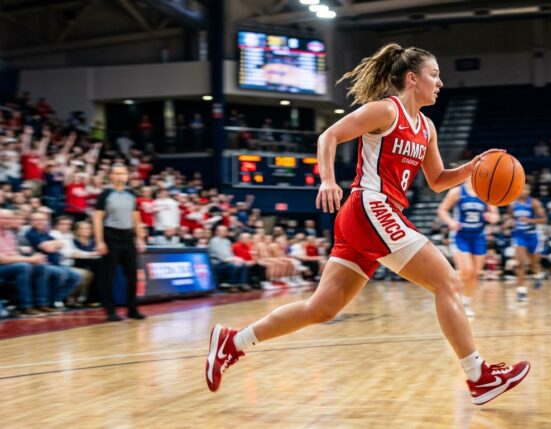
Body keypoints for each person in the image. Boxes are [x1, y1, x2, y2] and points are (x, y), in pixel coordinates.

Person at [205, 44, 530, 404]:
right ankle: (478, 376)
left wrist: (470, 169)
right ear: (412, 78)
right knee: (447, 281)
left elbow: (437, 180)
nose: (440, 82)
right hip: (370, 207)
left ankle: (232, 341)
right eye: (434, 74)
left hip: (371, 218)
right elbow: (328, 136)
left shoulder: (427, 127)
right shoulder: (385, 111)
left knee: (322, 308)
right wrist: (328, 180)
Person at [437, 177, 499, 317]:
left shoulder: (486, 193)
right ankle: (445, 287)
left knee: (475, 274)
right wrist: (451, 222)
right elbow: (442, 210)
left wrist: (491, 216)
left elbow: (496, 215)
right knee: (466, 270)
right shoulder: (457, 192)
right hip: (460, 236)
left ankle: (465, 303)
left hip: (478, 237)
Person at [92, 164, 146, 322]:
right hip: (111, 235)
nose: (120, 176)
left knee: (132, 276)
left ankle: (133, 309)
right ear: (111, 176)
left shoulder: (131, 194)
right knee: (108, 275)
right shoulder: (105, 194)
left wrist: (140, 237)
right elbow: (97, 218)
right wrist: (100, 241)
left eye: (123, 173)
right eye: (116, 173)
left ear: (127, 176)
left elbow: (136, 218)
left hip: (128, 237)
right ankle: (110, 311)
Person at [509, 184, 547, 299]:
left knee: (533, 264)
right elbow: (511, 218)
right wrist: (509, 222)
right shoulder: (512, 204)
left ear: (529, 191)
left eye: (526, 189)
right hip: (519, 235)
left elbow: (544, 220)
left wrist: (529, 220)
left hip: (532, 235)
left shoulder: (534, 203)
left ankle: (537, 275)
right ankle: (521, 291)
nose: (524, 191)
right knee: (520, 263)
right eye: (521, 189)